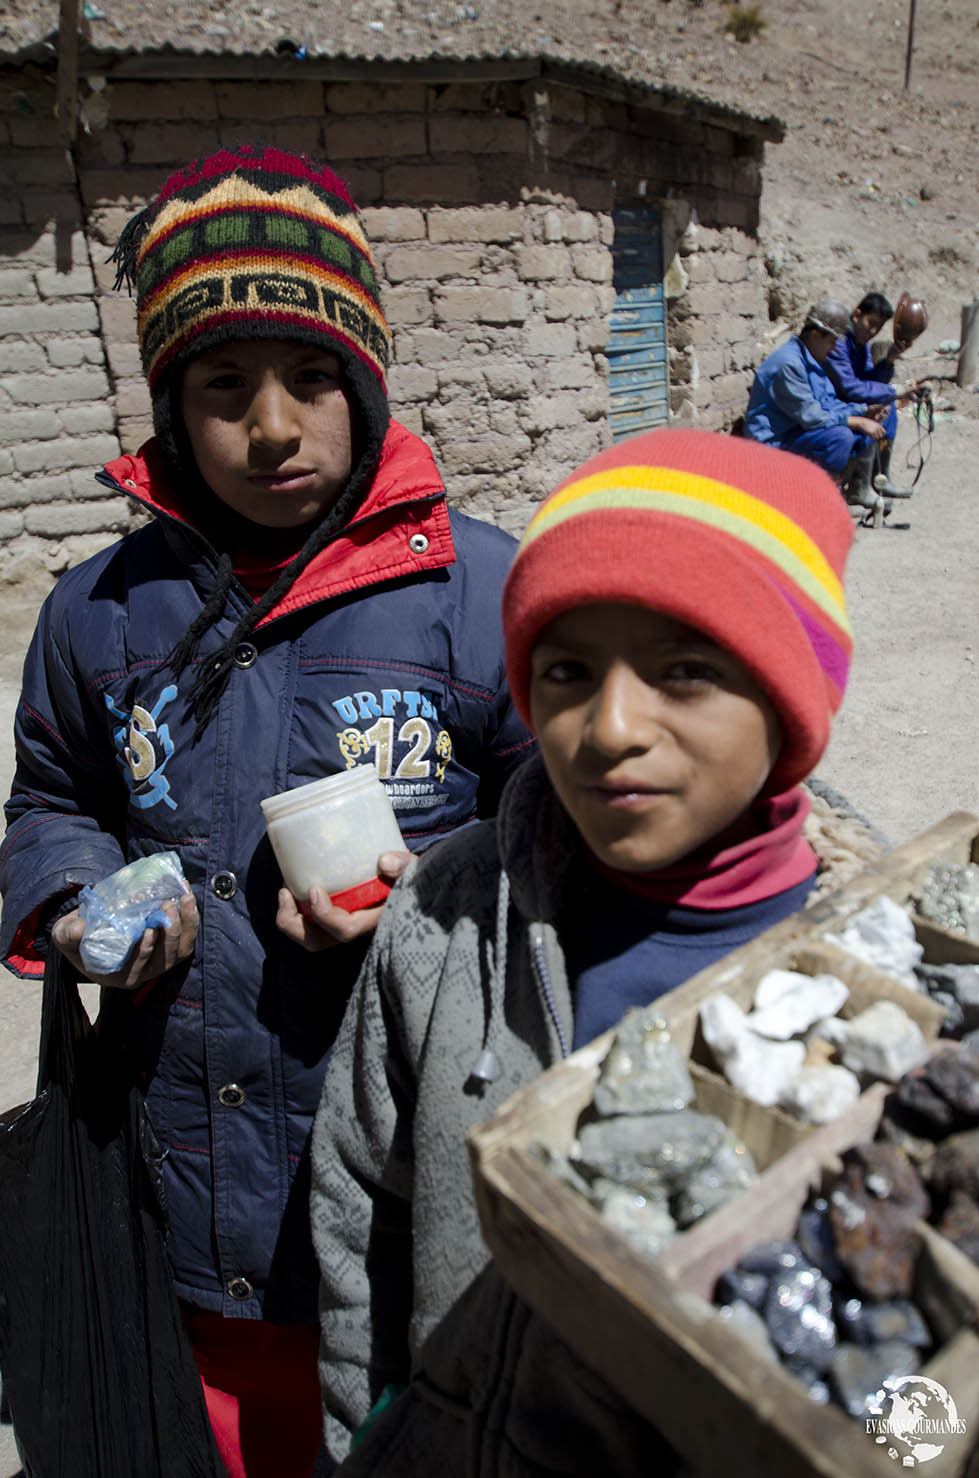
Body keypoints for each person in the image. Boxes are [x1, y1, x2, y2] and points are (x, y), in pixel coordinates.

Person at [0, 142, 532, 1478]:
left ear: (364, 383)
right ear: (172, 406)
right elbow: (55, 794)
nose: (274, 425)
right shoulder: (97, 613)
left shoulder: (477, 596)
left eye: (311, 378)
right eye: (223, 386)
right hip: (178, 1165)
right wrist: (76, 906)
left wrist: (432, 899)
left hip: (398, 1157)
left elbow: (561, 840)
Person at [310, 428, 873, 1475]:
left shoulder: (892, 976)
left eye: (686, 670)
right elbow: (357, 1225)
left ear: (792, 702)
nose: (609, 726)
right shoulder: (444, 919)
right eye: (567, 668)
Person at [744, 297, 889, 508]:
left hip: (795, 432)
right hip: (772, 444)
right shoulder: (789, 364)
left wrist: (864, 411)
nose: (832, 349)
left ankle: (846, 492)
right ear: (814, 335)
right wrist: (857, 421)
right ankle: (816, 500)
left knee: (861, 429)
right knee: (840, 437)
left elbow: (827, 403)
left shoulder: (811, 360)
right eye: (831, 341)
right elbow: (813, 417)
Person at [824, 290, 919, 499]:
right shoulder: (838, 342)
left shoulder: (861, 344)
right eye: (870, 323)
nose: (873, 331)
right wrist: (893, 391)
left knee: (888, 407)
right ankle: (859, 487)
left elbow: (869, 380)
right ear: (857, 315)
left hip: (847, 397)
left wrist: (888, 361)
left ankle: (881, 477)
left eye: (879, 327)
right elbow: (848, 386)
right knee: (877, 407)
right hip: (832, 402)